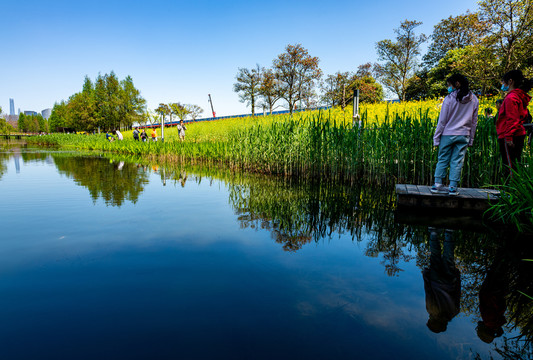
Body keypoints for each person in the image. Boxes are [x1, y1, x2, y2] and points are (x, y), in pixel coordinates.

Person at [431, 74, 479, 196]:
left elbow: (442, 120)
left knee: (443, 159)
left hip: (448, 134)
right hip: (464, 135)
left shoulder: (449, 99)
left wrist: (436, 138)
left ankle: (437, 185)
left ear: (457, 84)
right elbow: (474, 122)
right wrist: (471, 139)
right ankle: (452, 187)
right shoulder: (474, 99)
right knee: (457, 161)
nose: (449, 88)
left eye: (449, 85)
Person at [423, 228, 461, 334]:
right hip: (435, 280)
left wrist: (458, 277)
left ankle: (449, 233)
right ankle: (433, 233)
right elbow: (429, 292)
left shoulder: (454, 312)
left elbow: (458, 292)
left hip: (449, 282)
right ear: (432, 321)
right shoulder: (431, 310)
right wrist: (426, 276)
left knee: (449, 258)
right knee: (435, 257)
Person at [496, 69, 531, 180]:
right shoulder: (518, 96)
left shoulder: (511, 98)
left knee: (510, 166)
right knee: (514, 164)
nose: (502, 84)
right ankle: (514, 191)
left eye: (503, 82)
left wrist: (509, 137)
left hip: (511, 136)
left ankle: (510, 192)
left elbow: (512, 119)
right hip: (518, 133)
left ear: (510, 81)